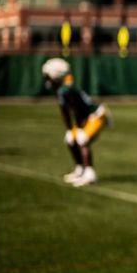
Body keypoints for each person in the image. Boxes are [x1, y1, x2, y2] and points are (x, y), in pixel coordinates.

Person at [41, 58, 110, 187]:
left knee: (82, 139)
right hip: (87, 117)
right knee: (70, 139)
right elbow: (65, 112)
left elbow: (76, 110)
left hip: (97, 115)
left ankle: (90, 174)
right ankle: (80, 169)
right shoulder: (61, 90)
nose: (47, 80)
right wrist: (69, 130)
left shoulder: (67, 89)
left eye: (48, 76)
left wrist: (78, 128)